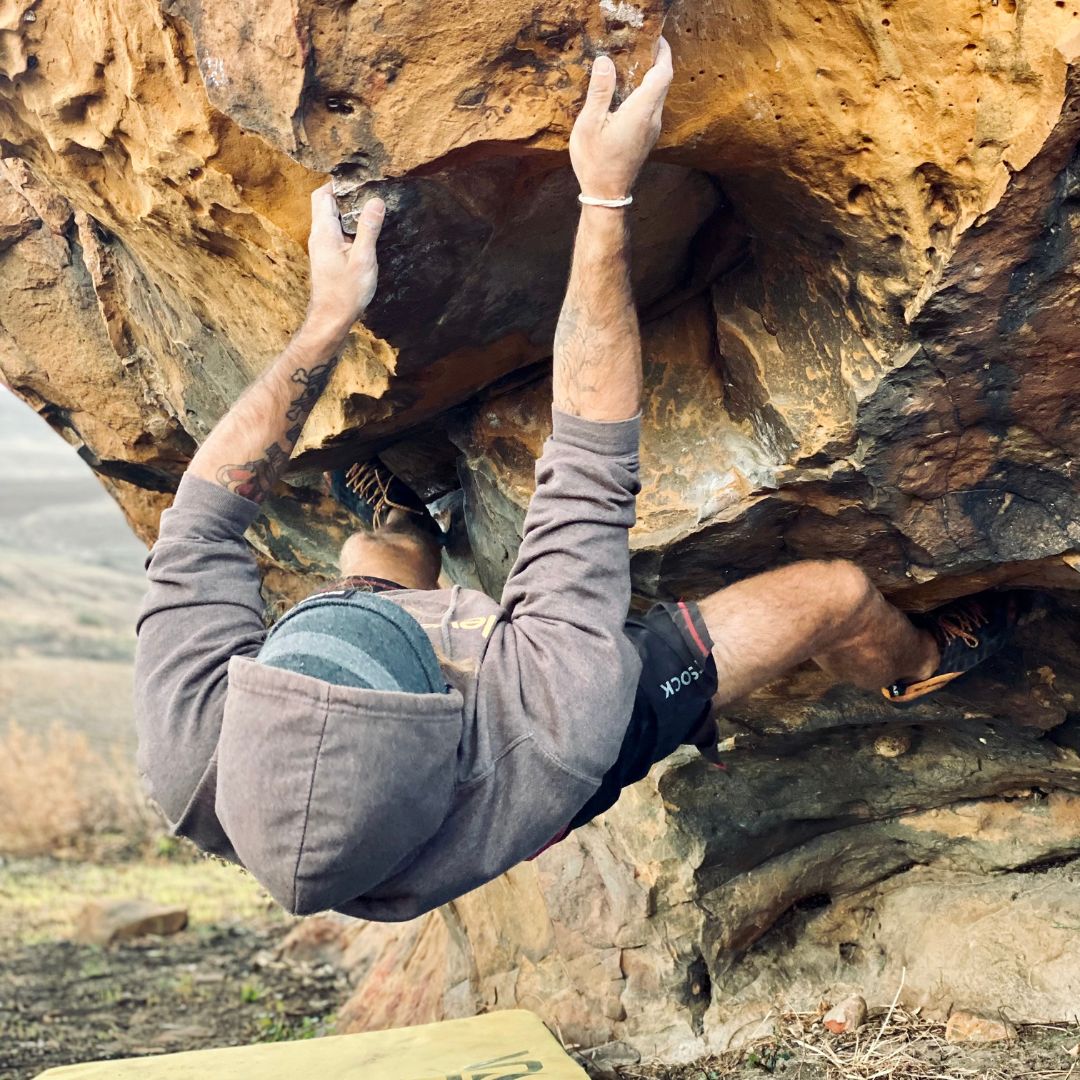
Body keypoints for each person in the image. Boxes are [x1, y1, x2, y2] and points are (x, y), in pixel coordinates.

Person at [134, 40, 1029, 922]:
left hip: (414, 741)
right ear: (449, 711)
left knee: (376, 551)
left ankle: (411, 527)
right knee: (833, 594)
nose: (384, 607)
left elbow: (203, 520)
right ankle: (915, 666)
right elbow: (590, 466)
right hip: (566, 750)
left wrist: (326, 318)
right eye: (404, 633)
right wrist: (604, 196)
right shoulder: (551, 729)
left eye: (346, 616)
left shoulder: (194, 750)